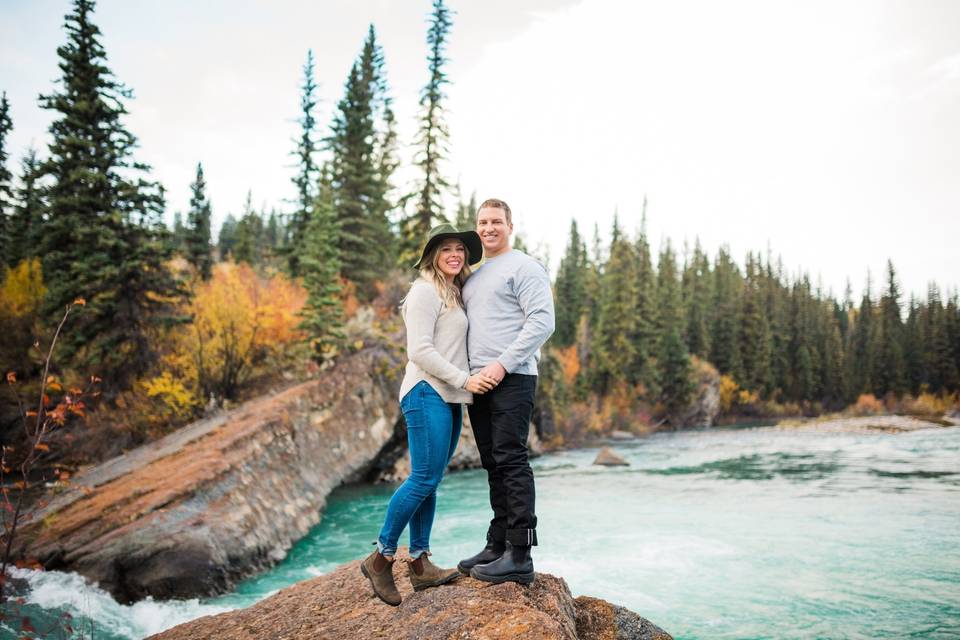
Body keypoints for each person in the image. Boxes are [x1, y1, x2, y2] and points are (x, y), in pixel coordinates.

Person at [360, 224, 498, 606]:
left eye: (459, 249)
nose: (455, 254)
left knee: (431, 479)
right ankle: (382, 557)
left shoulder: (453, 292)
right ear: (432, 256)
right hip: (426, 392)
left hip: (450, 396)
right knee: (422, 477)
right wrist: (465, 380)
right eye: (446, 249)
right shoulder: (423, 291)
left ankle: (420, 563)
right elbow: (419, 350)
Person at [457, 198, 556, 585]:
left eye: (496, 221)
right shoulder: (476, 275)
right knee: (493, 462)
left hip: (513, 377)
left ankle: (520, 554)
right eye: (482, 222)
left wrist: (502, 364)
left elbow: (543, 322)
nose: (488, 228)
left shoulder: (525, 266)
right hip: (479, 382)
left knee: (512, 460)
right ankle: (496, 544)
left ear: (509, 226)